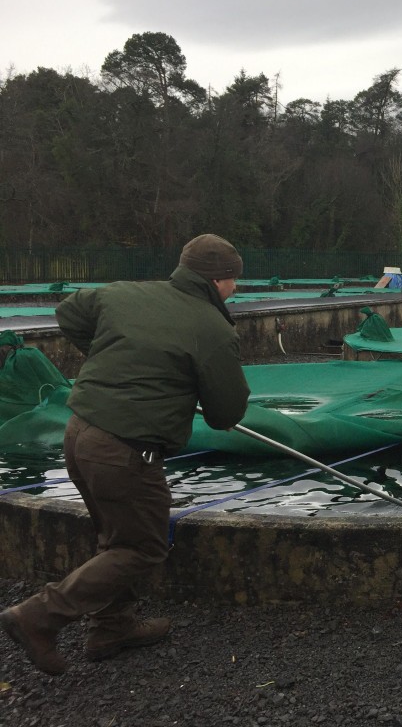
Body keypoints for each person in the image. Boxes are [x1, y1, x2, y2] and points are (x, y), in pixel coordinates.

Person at [0, 234, 251, 676]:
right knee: (143, 546)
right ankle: (38, 617)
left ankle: (112, 627)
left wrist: (116, 359)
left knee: (115, 536)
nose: (236, 289)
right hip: (125, 450)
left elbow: (68, 313)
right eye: (234, 281)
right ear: (218, 280)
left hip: (79, 433)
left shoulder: (123, 293)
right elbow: (225, 414)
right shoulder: (213, 329)